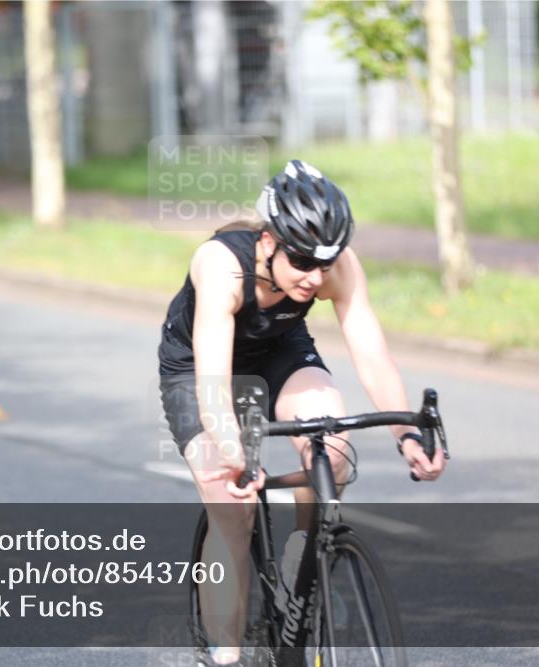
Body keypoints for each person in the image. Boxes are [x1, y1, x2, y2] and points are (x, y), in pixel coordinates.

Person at [158, 160, 446, 666]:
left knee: (332, 449)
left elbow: (372, 356)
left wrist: (407, 433)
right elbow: (212, 383)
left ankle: (301, 558)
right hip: (199, 366)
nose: (316, 277)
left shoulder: (334, 267)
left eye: (325, 263)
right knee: (232, 504)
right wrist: (235, 454)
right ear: (268, 242)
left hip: (280, 350)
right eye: (303, 262)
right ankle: (225, 655)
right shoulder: (220, 265)